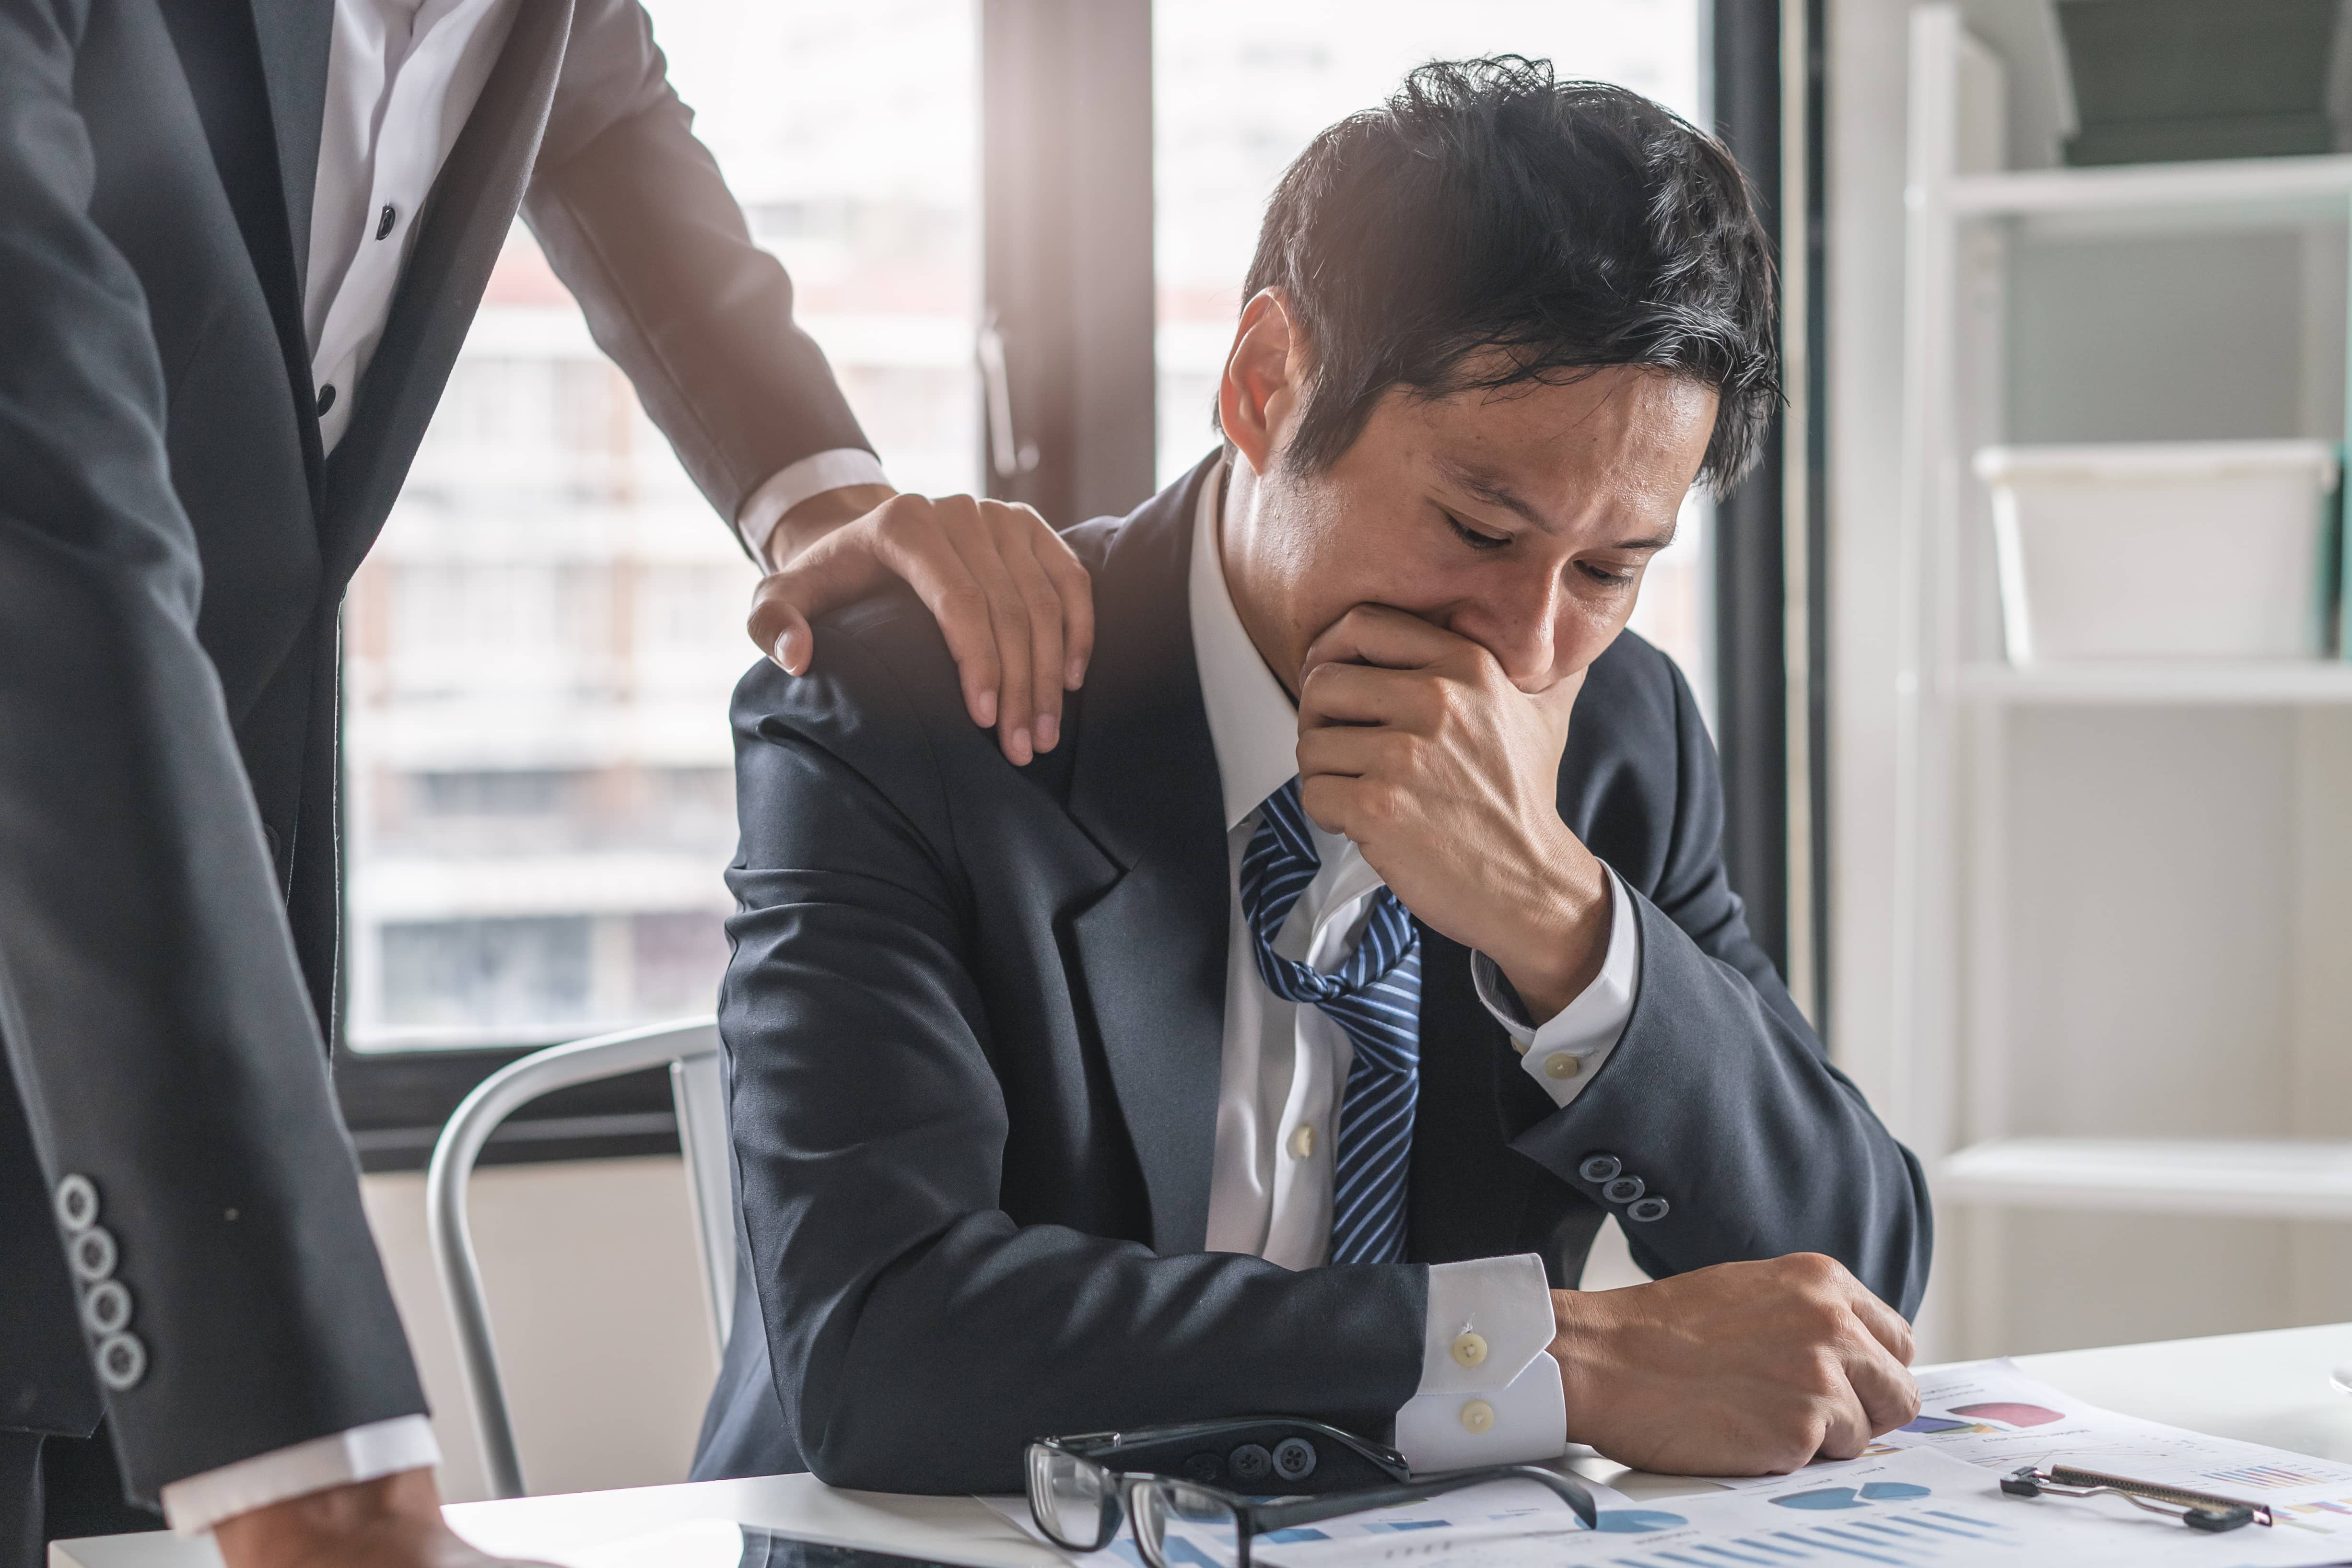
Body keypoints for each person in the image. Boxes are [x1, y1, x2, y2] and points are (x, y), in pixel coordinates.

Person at [694, 59, 1933, 1495]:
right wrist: (1557, 1358)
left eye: (1609, 568)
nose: (1529, 644)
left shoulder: (1616, 725)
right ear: (1266, 386)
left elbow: (1850, 1288)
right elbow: (882, 1350)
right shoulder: (913, 705)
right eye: (1477, 528)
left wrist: (1555, 917)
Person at [0, 2, 1088, 1564]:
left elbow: (609, 122)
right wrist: (310, 1458)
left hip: (190, 990)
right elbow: (51, 550)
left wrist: (822, 502)